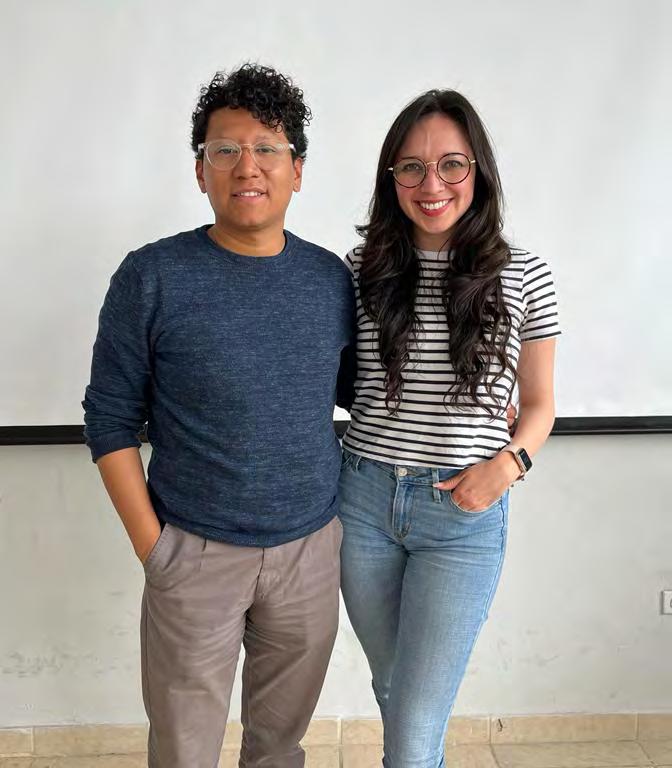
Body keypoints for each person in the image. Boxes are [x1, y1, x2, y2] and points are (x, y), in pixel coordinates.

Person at [82, 64, 356, 768]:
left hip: (309, 552)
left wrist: (484, 402)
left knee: (279, 748)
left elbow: (361, 393)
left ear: (298, 170)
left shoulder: (331, 279)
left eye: (267, 149)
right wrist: (156, 550)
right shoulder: (152, 276)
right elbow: (109, 418)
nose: (247, 167)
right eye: (225, 150)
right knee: (184, 751)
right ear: (200, 170)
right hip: (193, 552)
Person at [338, 89, 560, 767]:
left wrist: (508, 466)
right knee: (394, 689)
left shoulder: (525, 275)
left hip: (462, 514)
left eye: (451, 165)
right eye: (411, 167)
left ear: (478, 171)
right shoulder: (359, 272)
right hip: (362, 505)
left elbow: (540, 405)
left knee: (413, 723)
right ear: (392, 178)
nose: (431, 185)